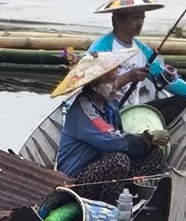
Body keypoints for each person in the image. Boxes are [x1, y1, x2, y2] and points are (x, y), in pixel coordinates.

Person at [83, 0, 186, 118]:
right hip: (108, 111)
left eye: (142, 18)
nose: (140, 23)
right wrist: (128, 77)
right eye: (135, 18)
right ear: (116, 20)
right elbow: (92, 89)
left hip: (135, 109)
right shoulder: (102, 48)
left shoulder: (143, 50)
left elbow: (163, 78)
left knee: (178, 103)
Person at [52, 48, 168, 190]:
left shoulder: (107, 103)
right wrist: (147, 138)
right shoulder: (85, 112)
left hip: (102, 168)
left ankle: (126, 191)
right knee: (119, 161)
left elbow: (112, 87)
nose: (116, 85)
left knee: (154, 154)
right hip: (75, 180)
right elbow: (114, 141)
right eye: (112, 81)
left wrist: (149, 143)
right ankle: (111, 203)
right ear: (95, 85)